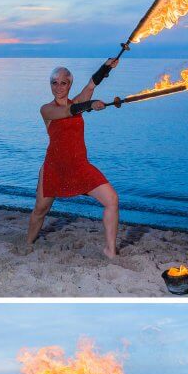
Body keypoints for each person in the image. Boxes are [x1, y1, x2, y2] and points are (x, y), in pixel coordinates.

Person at [27, 59, 121, 257]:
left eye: (63, 82)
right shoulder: (47, 109)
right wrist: (91, 104)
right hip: (55, 167)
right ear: (50, 85)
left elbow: (91, 85)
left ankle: (110, 250)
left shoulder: (77, 103)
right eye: (54, 82)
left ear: (70, 84)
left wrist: (106, 68)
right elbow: (68, 111)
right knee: (40, 210)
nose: (59, 87)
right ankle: (28, 243)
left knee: (112, 199)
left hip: (79, 166)